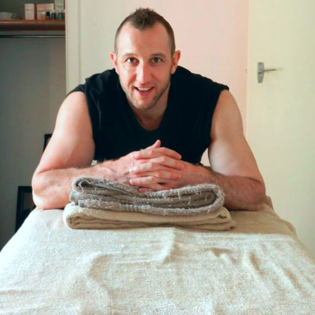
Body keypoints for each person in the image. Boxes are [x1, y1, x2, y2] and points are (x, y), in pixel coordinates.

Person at [32, 8, 266, 211]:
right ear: (115, 62)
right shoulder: (84, 103)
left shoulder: (215, 101)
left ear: (174, 62)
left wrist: (194, 177)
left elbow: (254, 194)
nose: (143, 78)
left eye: (156, 60)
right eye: (131, 60)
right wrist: (115, 174)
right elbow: (42, 190)